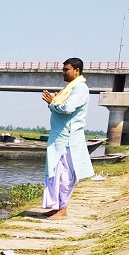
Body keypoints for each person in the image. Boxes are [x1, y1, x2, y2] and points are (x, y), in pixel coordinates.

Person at [41, 57, 94, 220]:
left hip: (68, 139)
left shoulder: (80, 88)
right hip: (59, 139)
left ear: (76, 71)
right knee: (55, 173)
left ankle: (63, 210)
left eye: (66, 69)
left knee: (65, 176)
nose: (63, 72)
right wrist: (55, 103)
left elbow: (67, 108)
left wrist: (53, 103)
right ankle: (56, 207)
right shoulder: (70, 88)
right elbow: (60, 107)